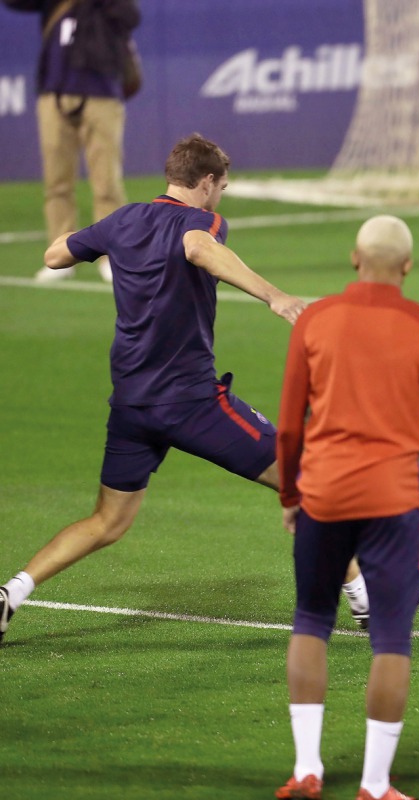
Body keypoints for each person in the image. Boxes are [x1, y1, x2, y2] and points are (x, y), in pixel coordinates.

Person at [0, 134, 368, 645]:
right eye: (221, 187)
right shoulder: (202, 222)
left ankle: (11, 593)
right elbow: (197, 248)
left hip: (131, 404)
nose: (221, 197)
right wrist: (274, 297)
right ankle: (366, 601)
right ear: (207, 182)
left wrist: (104, 240)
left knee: (107, 521)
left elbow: (56, 253)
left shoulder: (124, 219)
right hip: (191, 402)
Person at [274, 215, 419, 800]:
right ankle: (374, 785)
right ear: (407, 266)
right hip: (391, 503)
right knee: (392, 641)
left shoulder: (315, 320)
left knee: (310, 622)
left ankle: (307, 769)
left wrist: (291, 495)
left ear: (354, 257)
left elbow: (290, 423)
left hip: (324, 494)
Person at [2, 0, 141, 283]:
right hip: (54, 93)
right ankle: (61, 256)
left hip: (101, 91)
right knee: (57, 183)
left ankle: (111, 256)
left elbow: (129, 15)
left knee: (106, 182)